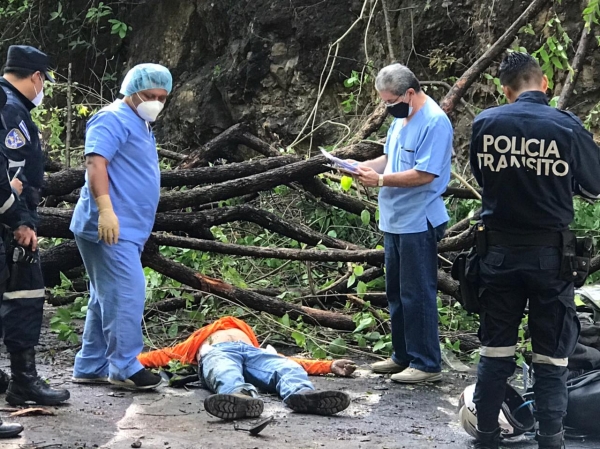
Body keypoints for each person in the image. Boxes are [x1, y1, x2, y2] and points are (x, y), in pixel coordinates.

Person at [468, 52, 600, 449]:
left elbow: (485, 176)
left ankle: (488, 436)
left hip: (497, 255)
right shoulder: (567, 127)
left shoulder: (485, 123)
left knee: (495, 352)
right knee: (551, 358)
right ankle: (551, 439)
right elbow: (595, 186)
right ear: (544, 84)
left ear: (506, 91)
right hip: (549, 258)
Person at [69, 64, 173, 390]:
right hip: (110, 226)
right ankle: (124, 366)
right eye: (149, 95)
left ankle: (90, 364)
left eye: (161, 97)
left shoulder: (140, 121)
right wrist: (105, 210)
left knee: (105, 297)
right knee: (128, 292)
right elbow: (95, 162)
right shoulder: (111, 118)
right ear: (132, 91)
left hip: (128, 227)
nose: (155, 102)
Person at [353, 63, 453, 383]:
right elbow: (389, 157)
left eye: (390, 101)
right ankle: (402, 355)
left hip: (418, 219)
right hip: (393, 219)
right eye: (383, 101)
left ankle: (426, 363)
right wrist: (362, 167)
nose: (387, 107)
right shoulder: (400, 120)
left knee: (417, 292)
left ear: (409, 93)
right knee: (396, 290)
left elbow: (425, 174)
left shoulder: (435, 122)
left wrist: (379, 179)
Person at [0, 45, 70, 406]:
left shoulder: (11, 106)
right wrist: (22, 222)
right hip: (10, 224)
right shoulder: (10, 110)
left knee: (21, 296)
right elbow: (12, 176)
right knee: (23, 297)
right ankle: (21, 380)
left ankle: (20, 379)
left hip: (11, 219)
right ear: (37, 77)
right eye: (44, 82)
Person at [138, 316, 356, 419]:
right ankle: (240, 397)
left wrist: (329, 365)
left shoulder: (253, 341)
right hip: (217, 352)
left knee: (285, 367)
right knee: (224, 370)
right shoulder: (196, 341)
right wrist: (120, 364)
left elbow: (290, 360)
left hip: (253, 352)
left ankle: (303, 395)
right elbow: (161, 355)